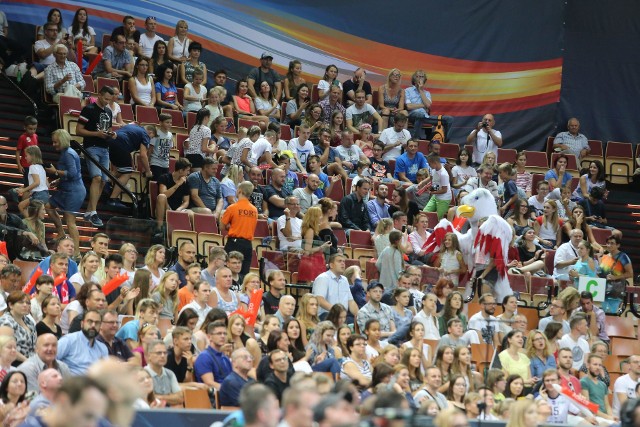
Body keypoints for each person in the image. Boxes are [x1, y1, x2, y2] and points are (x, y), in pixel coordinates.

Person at [75, 85, 116, 228]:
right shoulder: (88, 109)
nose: (107, 102)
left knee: (104, 181)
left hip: (105, 148)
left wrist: (112, 134)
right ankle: (93, 211)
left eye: (109, 100)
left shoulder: (109, 112)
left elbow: (108, 129)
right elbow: (78, 130)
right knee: (97, 178)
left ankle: (89, 211)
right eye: (105, 99)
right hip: (91, 146)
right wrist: (96, 134)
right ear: (99, 95)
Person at [404, 70, 454, 140]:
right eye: (418, 76)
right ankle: (415, 139)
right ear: (414, 79)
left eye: (422, 77)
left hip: (426, 117)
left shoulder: (427, 93)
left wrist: (421, 90)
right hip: (413, 115)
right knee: (419, 115)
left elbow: (428, 105)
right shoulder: (407, 90)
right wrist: (423, 105)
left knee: (449, 119)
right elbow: (409, 106)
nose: (420, 78)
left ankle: (445, 142)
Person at [56, 310, 107, 375]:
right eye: (90, 321)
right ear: (82, 324)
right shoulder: (68, 341)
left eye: (97, 323)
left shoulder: (102, 348)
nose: (93, 325)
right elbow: (50, 361)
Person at [312, 254, 359, 319]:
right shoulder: (323, 278)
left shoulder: (344, 280)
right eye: (339, 261)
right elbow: (319, 300)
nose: (343, 263)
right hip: (326, 315)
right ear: (331, 265)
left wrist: (359, 315)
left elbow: (351, 301)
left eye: (343, 261)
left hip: (342, 316)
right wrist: (337, 311)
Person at [194, 320, 232, 390]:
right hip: (215, 397)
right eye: (219, 333)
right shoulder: (204, 357)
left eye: (225, 333)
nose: (223, 336)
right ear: (209, 337)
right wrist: (230, 391)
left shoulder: (225, 357)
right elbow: (209, 383)